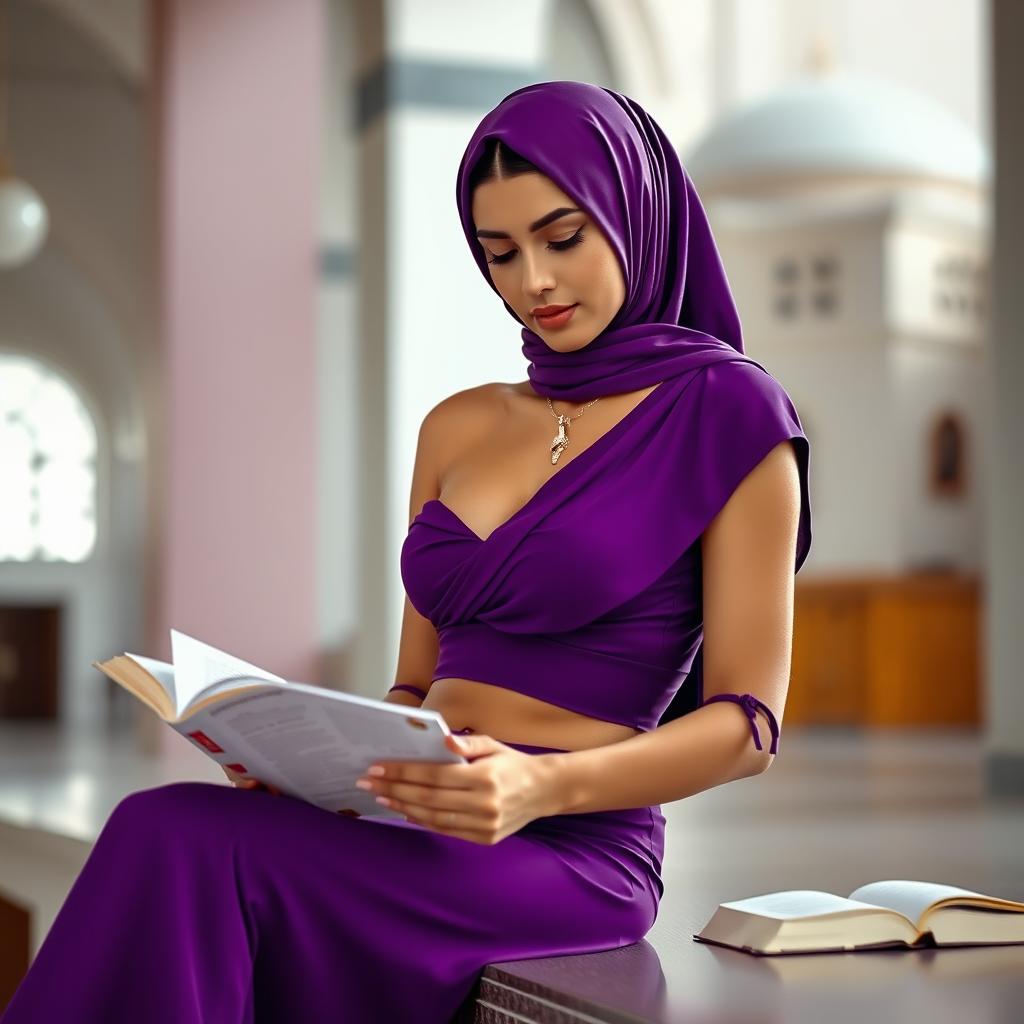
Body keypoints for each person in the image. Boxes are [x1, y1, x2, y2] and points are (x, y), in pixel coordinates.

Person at [0, 80, 811, 1023]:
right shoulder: (458, 424)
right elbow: (413, 691)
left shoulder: (733, 414)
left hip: (570, 848)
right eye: (500, 253)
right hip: (410, 816)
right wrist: (315, 763)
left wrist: (540, 784)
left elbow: (750, 725)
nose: (532, 283)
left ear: (636, 216)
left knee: (174, 837)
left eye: (563, 238)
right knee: (172, 825)